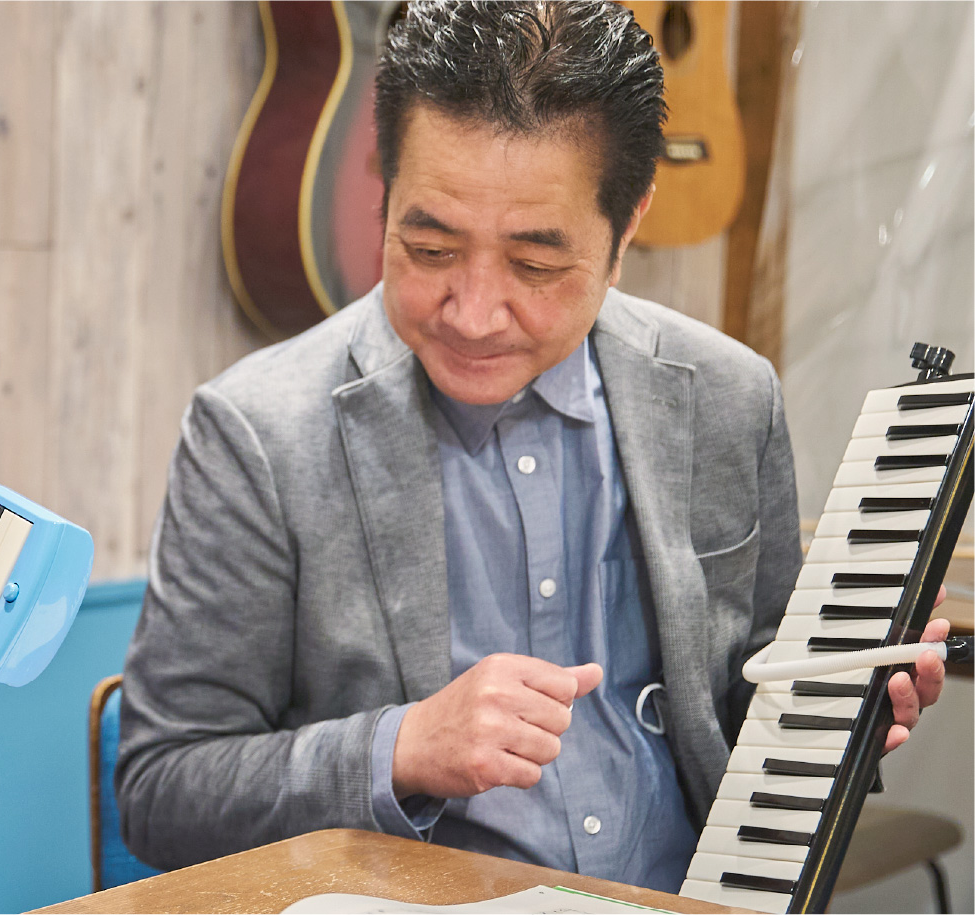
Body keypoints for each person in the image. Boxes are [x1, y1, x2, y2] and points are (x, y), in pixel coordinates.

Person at [115, 0, 949, 892]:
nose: (473, 313)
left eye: (535, 265)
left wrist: (843, 709)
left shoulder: (725, 397)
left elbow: (755, 711)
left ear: (626, 229)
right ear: (382, 192)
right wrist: (399, 748)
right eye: (428, 247)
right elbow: (163, 791)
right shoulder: (257, 432)